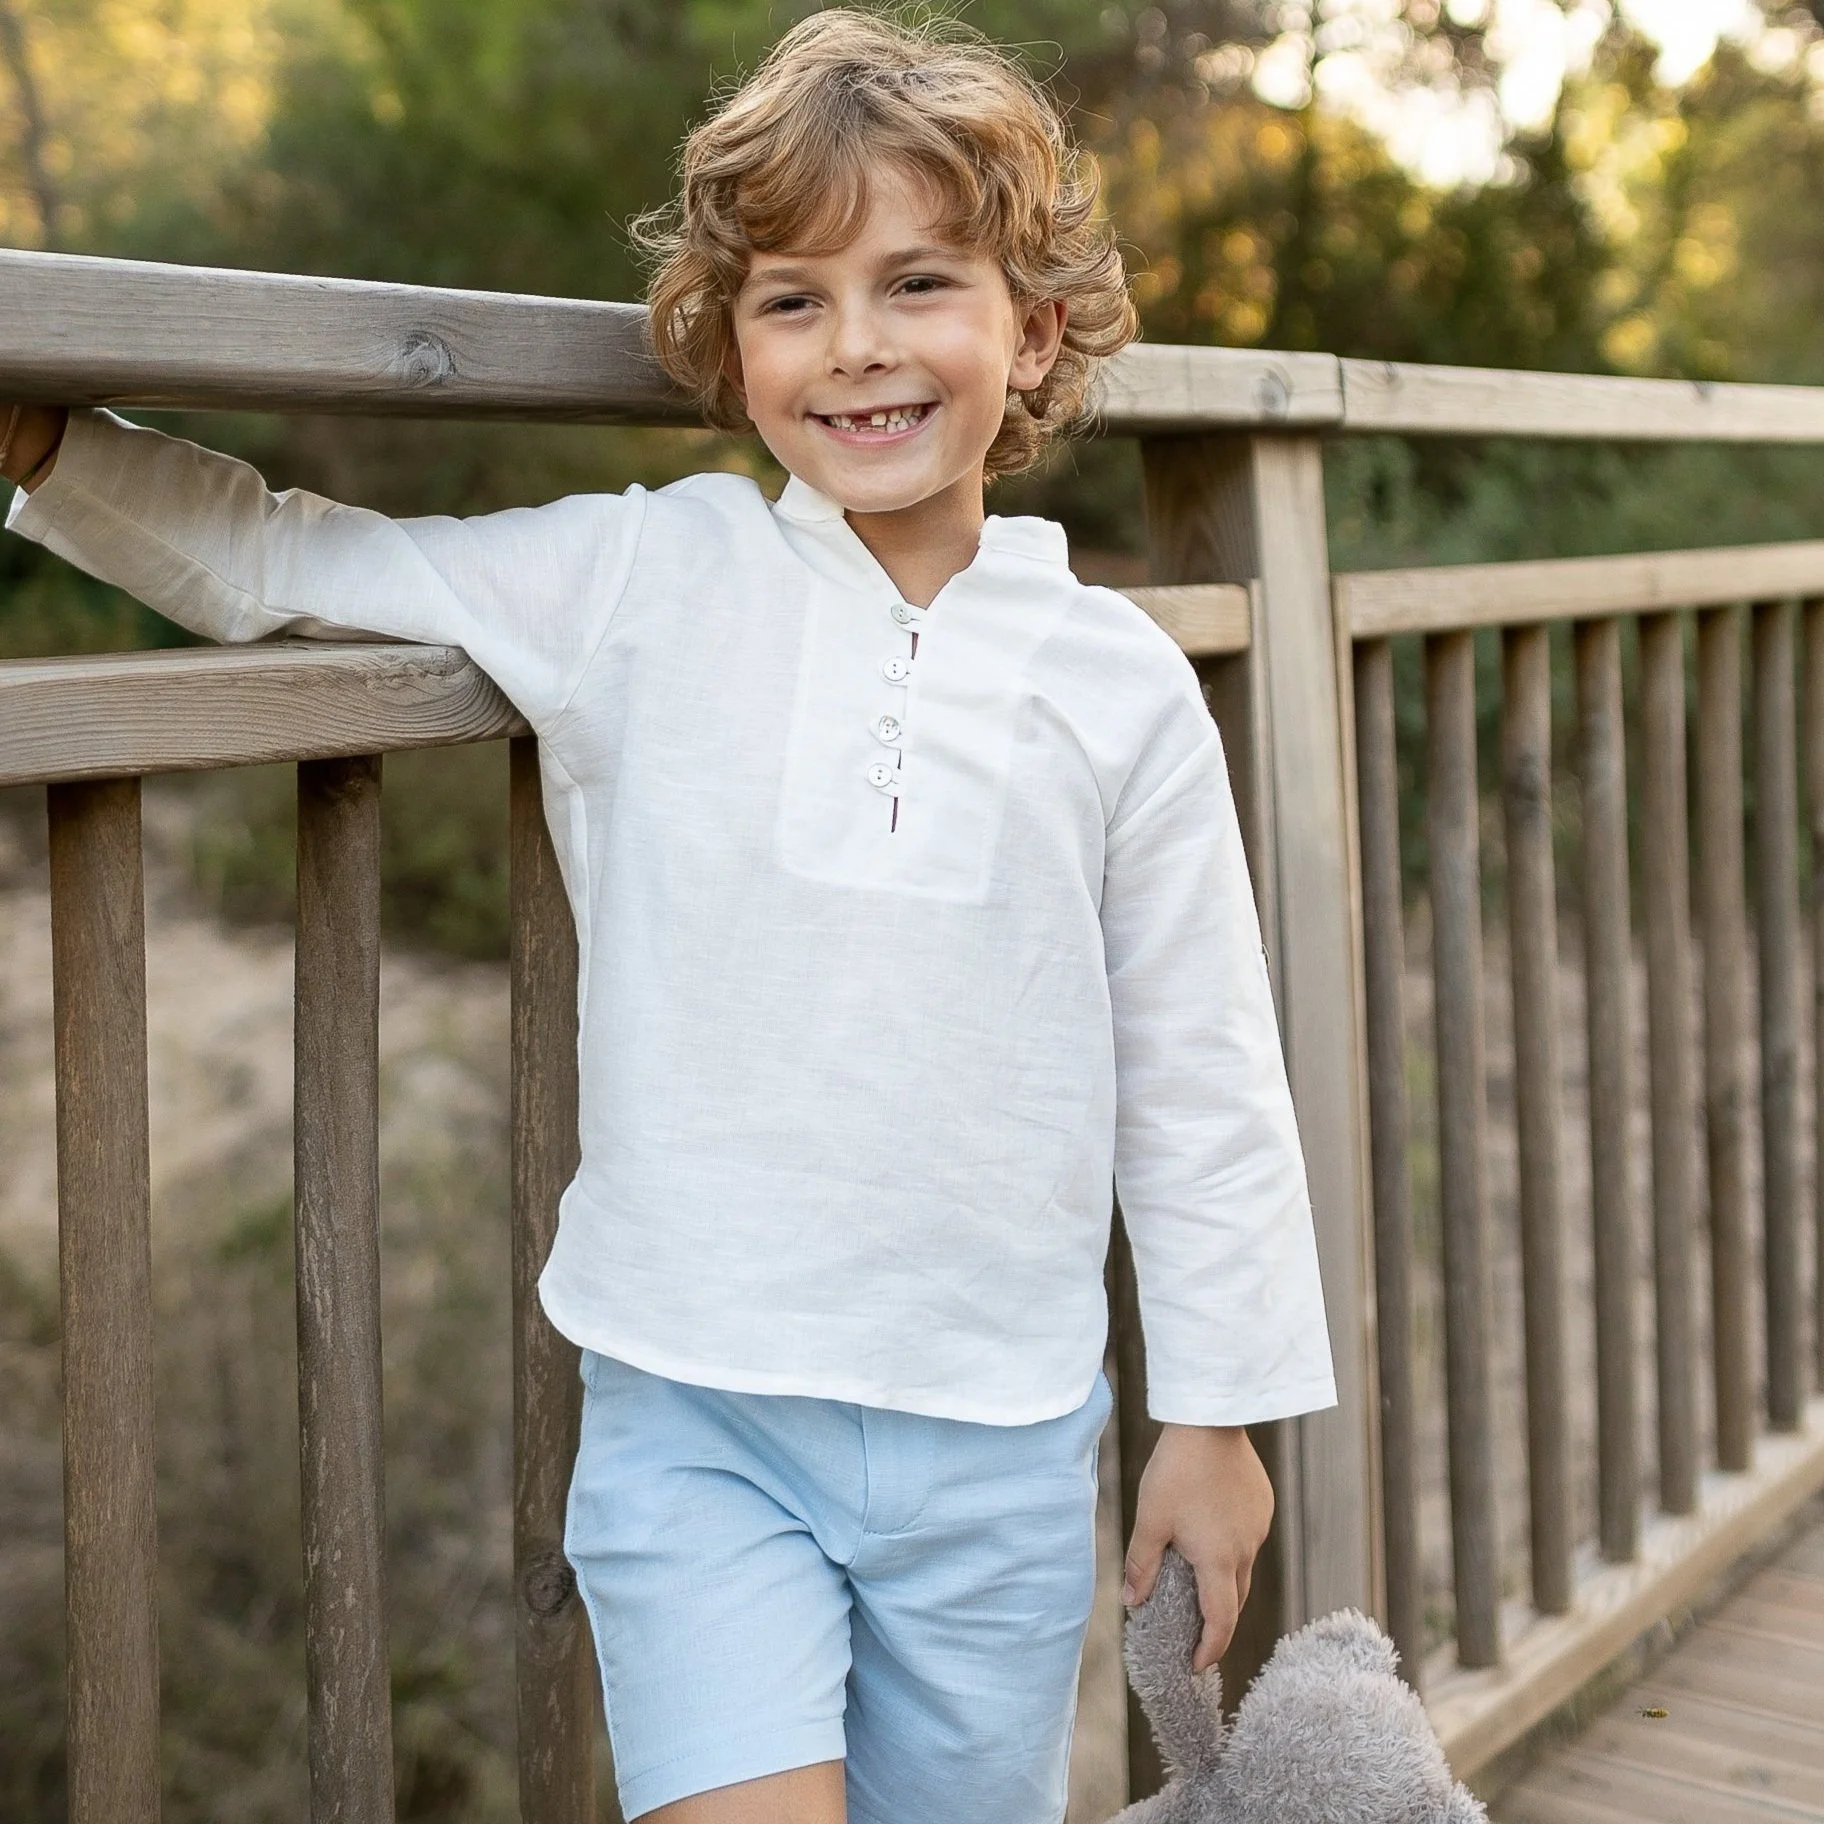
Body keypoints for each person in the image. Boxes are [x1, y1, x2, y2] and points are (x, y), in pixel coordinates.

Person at [0, 11, 1334, 1821]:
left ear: (1032, 331)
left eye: (919, 282)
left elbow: (1205, 1072)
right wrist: (42, 444)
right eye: (792, 297)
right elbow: (282, 558)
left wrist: (1219, 1416)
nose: (856, 347)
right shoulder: (636, 575)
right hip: (695, 1422)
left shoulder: (1119, 680)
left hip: (1004, 1445)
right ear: (730, 342)